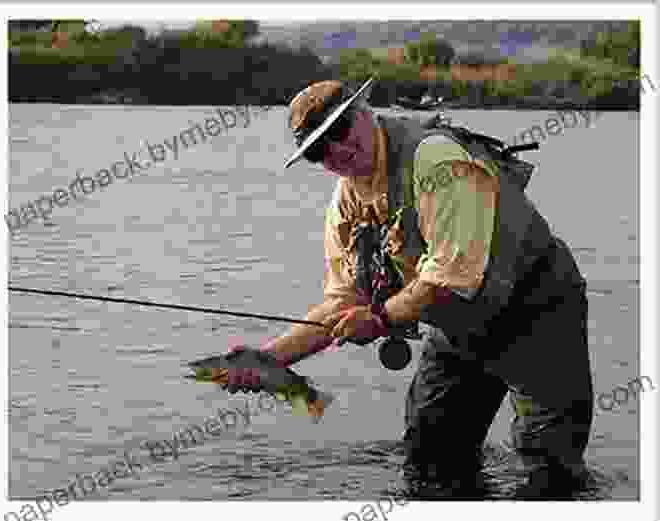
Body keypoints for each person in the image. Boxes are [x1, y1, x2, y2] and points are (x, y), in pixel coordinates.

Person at [222, 78, 594, 499]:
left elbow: (450, 277)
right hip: (458, 328)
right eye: (318, 151)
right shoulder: (345, 203)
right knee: (430, 453)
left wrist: (379, 319)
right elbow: (343, 303)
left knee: (549, 468)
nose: (337, 152)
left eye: (340, 131)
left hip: (536, 311)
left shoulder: (433, 159)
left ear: (366, 112)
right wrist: (269, 358)